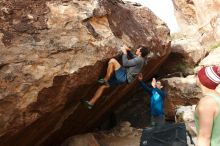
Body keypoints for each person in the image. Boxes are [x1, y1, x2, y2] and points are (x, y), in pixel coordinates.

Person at [81, 45, 150, 109]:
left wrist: (124, 52)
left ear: (140, 52)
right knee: (103, 86)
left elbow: (125, 63)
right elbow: (132, 56)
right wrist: (128, 50)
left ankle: (105, 79)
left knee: (112, 61)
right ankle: (91, 103)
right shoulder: (141, 59)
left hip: (124, 76)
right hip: (125, 79)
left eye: (138, 49)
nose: (137, 49)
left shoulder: (139, 60)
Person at [194, 66, 220, 146]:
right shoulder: (217, 98)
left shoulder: (207, 103)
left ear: (201, 79)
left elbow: (204, 138)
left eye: (197, 75)